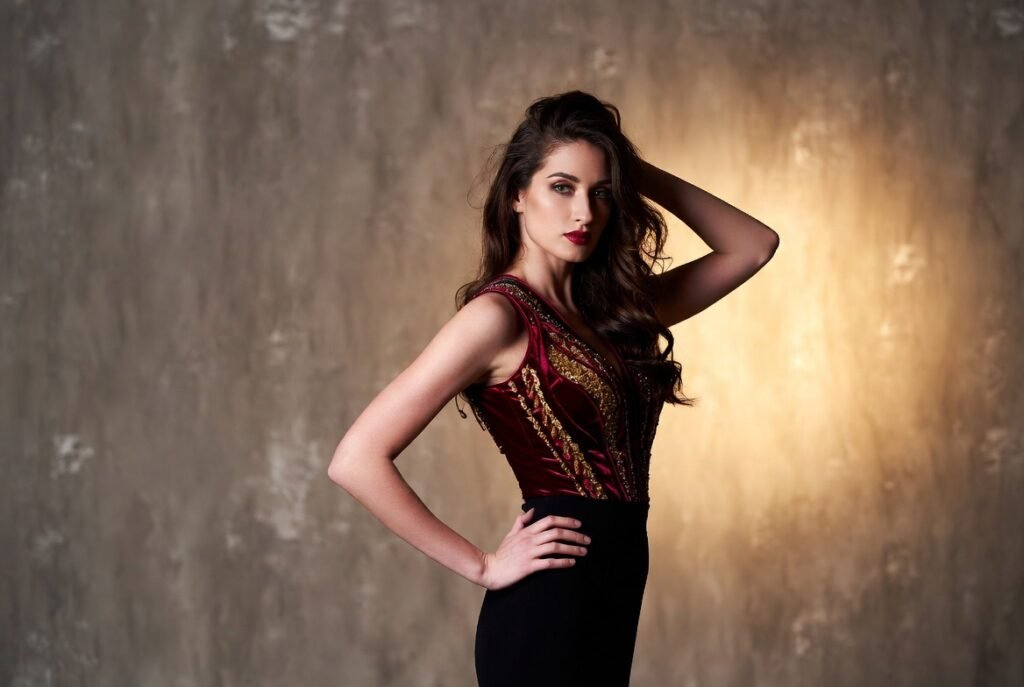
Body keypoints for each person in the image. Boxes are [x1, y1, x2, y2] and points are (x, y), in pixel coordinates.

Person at [327, 90, 779, 686]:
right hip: (547, 610)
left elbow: (753, 246)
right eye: (562, 187)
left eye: (601, 192)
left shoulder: (616, 315)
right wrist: (482, 565)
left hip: (613, 597)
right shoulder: (497, 318)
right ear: (517, 194)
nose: (583, 213)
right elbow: (356, 459)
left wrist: (629, 169)